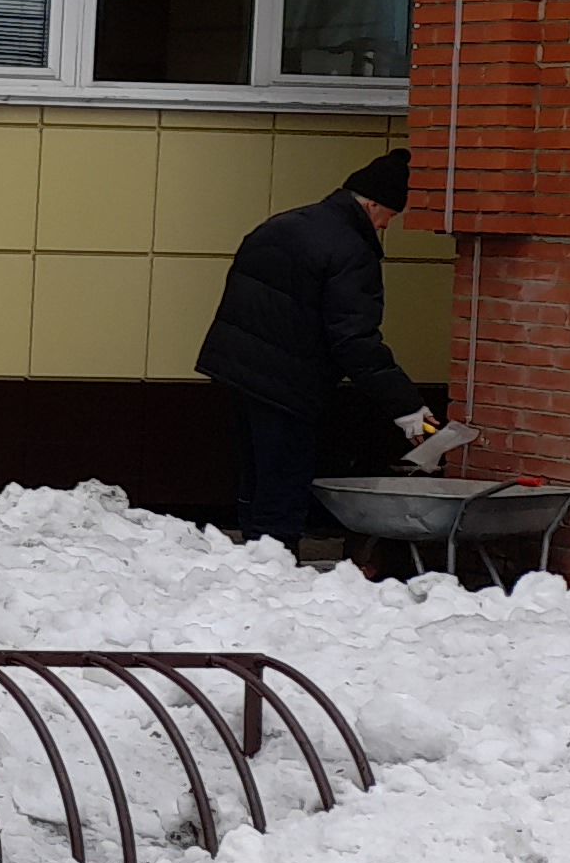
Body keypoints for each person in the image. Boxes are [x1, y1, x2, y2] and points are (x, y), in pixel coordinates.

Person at [195, 148, 464, 565]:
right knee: (284, 480)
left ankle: (252, 559)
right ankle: (274, 564)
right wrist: (407, 408)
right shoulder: (350, 250)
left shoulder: (280, 225)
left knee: (255, 473)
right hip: (288, 382)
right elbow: (355, 340)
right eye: (389, 215)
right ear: (372, 204)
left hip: (237, 370)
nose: (386, 225)